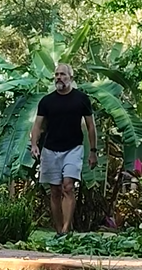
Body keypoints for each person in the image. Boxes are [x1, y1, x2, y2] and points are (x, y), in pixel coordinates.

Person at [29, 63, 97, 235]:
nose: (59, 77)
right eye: (57, 74)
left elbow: (90, 126)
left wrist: (93, 151)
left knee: (68, 186)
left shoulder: (81, 99)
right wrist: (35, 144)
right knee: (55, 190)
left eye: (63, 74)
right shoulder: (46, 101)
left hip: (73, 149)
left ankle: (66, 229)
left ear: (71, 78)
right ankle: (58, 230)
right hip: (50, 149)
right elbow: (37, 125)